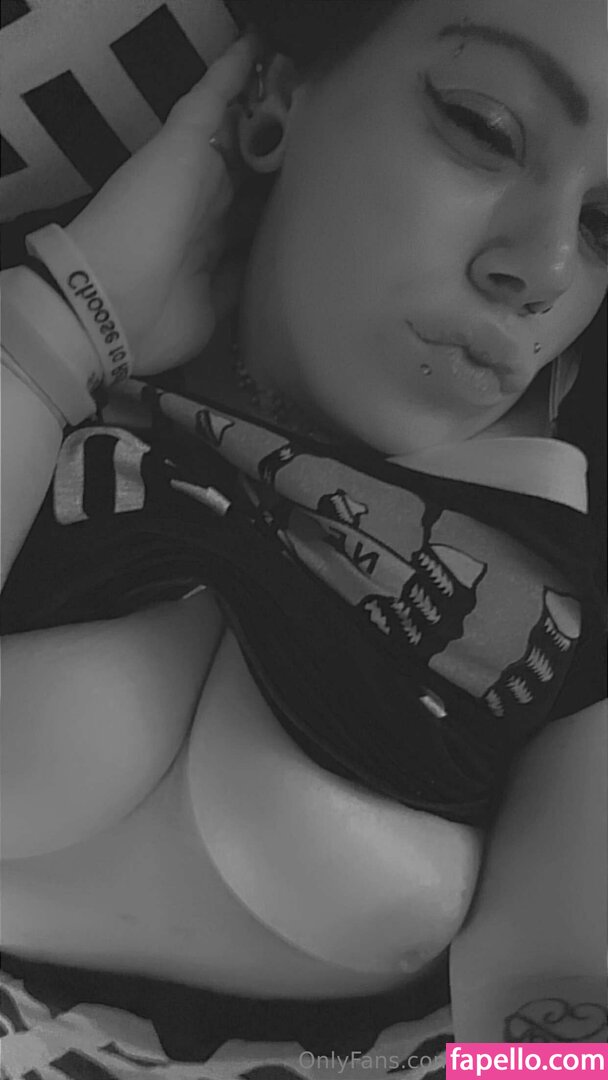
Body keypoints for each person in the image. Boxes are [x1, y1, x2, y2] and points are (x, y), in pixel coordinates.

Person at [1, 0, 606, 1073]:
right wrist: (67, 319)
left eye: (605, 226)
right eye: (483, 127)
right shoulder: (38, 374)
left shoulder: (563, 581)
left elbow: (557, 1029)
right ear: (273, 103)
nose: (546, 268)